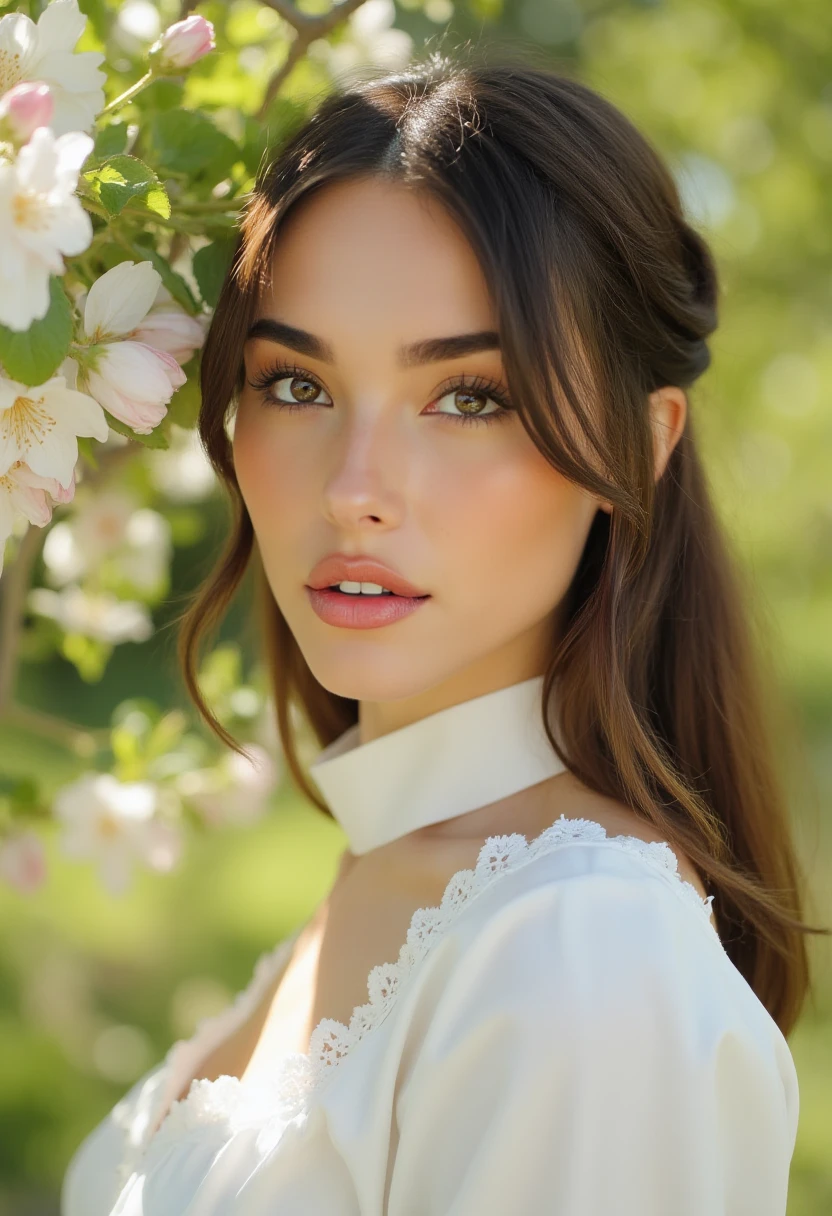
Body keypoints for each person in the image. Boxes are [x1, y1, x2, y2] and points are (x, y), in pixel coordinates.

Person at [61, 49, 824, 1216]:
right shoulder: (407, 863)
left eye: (470, 397)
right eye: (295, 385)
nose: (354, 489)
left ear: (643, 442)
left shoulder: (582, 959)